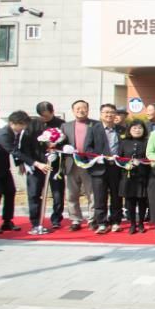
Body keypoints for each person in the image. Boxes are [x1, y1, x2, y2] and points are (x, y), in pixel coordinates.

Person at [0, 111, 49, 234]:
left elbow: (16, 150)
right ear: (13, 123)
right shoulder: (4, 134)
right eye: (22, 124)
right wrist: (36, 163)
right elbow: (14, 151)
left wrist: (20, 163)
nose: (24, 127)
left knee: (10, 191)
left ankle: (7, 221)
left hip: (3, 167)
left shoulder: (15, 133)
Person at [23, 101, 65, 233]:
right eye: (42, 116)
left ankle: (56, 219)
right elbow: (25, 145)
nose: (44, 118)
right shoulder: (32, 124)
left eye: (47, 115)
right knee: (34, 193)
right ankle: (36, 221)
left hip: (55, 164)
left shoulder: (61, 124)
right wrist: (29, 163)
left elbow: (66, 143)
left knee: (57, 193)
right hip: (37, 164)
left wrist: (57, 146)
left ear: (52, 112)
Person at [85, 104, 125, 234]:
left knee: (116, 196)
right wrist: (99, 158)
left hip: (116, 168)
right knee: (100, 196)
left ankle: (115, 221)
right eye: (106, 112)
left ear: (116, 114)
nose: (109, 115)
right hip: (99, 168)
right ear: (101, 114)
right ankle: (101, 222)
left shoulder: (121, 130)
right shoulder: (93, 129)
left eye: (112, 112)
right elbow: (87, 148)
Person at [61, 99, 96, 231]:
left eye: (84, 108)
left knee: (91, 193)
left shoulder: (95, 124)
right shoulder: (65, 126)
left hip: (89, 163)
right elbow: (60, 143)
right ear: (73, 110)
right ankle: (75, 220)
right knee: (71, 194)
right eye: (78, 108)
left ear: (88, 109)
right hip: (71, 163)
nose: (81, 110)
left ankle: (92, 219)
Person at [118, 120, 150, 234]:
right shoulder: (124, 142)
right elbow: (119, 158)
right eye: (134, 128)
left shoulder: (147, 142)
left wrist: (141, 162)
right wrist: (126, 164)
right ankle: (132, 224)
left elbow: (150, 157)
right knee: (130, 201)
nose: (137, 130)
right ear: (130, 130)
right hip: (128, 176)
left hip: (143, 175)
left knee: (142, 201)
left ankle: (141, 223)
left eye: (140, 128)